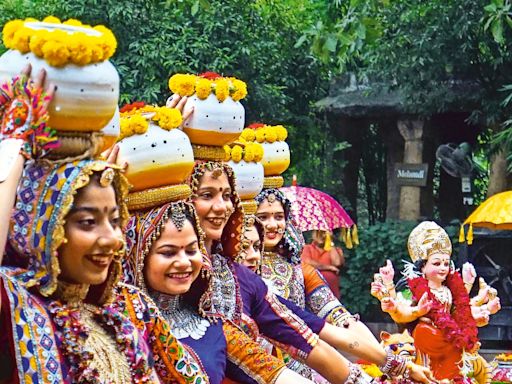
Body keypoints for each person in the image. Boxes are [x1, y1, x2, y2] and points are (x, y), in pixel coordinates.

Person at [0, 67, 207, 384]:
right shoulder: (13, 302)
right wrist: (13, 144)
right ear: (39, 227)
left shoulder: (128, 308)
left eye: (115, 220)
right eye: (87, 222)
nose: (112, 239)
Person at [189, 161, 434, 384]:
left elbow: (326, 327)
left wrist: (392, 365)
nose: (272, 225)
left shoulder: (283, 274)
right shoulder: (206, 277)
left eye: (278, 216)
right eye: (263, 217)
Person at [125, 198, 315, 384]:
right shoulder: (120, 324)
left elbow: (272, 372)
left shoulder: (212, 326)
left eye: (191, 251)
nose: (184, 262)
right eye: (168, 252)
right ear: (139, 256)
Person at [371, 221, 501, 383]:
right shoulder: (409, 287)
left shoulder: (450, 289)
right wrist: (391, 292)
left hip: (450, 343)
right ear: (422, 267)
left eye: (446, 264)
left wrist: (486, 309)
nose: (442, 268)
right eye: (437, 263)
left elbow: (461, 314)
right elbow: (400, 316)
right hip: (420, 343)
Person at [302, 230, 344, 298]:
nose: (322, 236)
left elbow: (337, 263)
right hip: (312, 288)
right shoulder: (307, 248)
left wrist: (330, 243)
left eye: (325, 233)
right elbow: (307, 262)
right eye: (319, 233)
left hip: (332, 290)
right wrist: (329, 267)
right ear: (314, 235)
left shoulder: (336, 250)